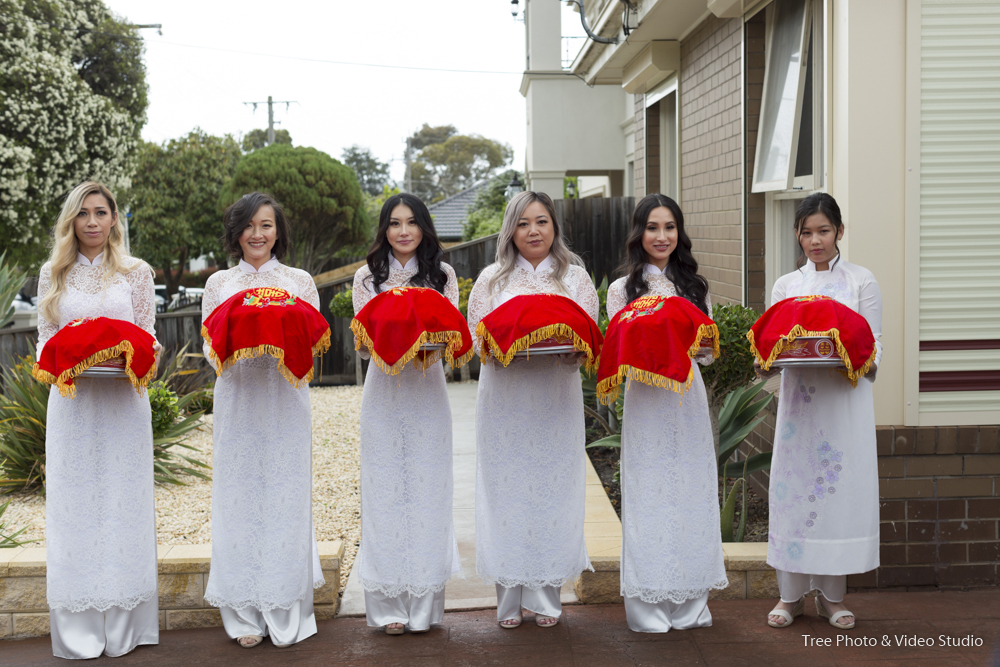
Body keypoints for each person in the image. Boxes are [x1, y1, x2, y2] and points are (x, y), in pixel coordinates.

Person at [36, 181, 160, 659]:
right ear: (72, 220)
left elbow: (149, 334)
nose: (92, 221)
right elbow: (48, 339)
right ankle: (80, 630)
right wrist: (75, 359)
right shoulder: (53, 273)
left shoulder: (136, 272)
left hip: (124, 402)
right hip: (74, 405)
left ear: (114, 219)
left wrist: (127, 360)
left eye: (101, 212)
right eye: (83, 213)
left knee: (123, 502)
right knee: (78, 505)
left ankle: (127, 627)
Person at [466, 191, 599, 629]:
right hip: (504, 400)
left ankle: (546, 597)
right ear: (511, 231)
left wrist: (570, 352)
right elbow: (477, 344)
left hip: (555, 399)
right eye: (523, 223)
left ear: (554, 226)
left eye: (541, 221)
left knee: (551, 490)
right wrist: (507, 348)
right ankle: (508, 601)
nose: (533, 231)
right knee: (507, 492)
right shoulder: (491, 280)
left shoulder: (576, 279)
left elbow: (588, 339)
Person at [201, 192, 324, 648]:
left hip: (286, 399)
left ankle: (285, 606)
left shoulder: (300, 281)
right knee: (240, 497)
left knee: (284, 494)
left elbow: (312, 343)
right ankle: (244, 613)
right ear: (236, 232)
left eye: (267, 225)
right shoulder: (218, 284)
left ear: (279, 231)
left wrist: (277, 333)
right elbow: (215, 352)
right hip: (238, 399)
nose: (258, 234)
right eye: (250, 225)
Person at [605, 194, 728, 633]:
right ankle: (649, 605)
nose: (662, 236)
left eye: (669, 227)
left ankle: (692, 605)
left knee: (691, 494)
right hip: (646, 401)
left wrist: (703, 348)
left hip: (687, 401)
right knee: (650, 495)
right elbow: (619, 349)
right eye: (652, 227)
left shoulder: (695, 287)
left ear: (680, 233)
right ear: (639, 234)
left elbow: (709, 353)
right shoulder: (622, 290)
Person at [763, 192, 882, 631]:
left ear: (839, 232)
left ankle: (833, 598)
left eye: (824, 231)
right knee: (794, 495)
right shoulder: (786, 286)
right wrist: (769, 359)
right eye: (807, 232)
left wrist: (853, 355)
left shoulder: (860, 281)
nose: (816, 241)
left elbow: (874, 343)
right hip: (800, 410)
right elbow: (773, 343)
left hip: (844, 406)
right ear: (797, 234)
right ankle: (790, 596)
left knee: (837, 496)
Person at [351, 193, 462, 635]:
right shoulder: (366, 276)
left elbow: (453, 335)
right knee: (384, 492)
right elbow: (362, 342)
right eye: (394, 223)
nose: (403, 231)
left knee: (427, 490)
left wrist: (426, 342)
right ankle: (388, 605)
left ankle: (424, 605)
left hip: (428, 391)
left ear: (424, 228)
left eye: (412, 222)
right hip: (382, 391)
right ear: (384, 230)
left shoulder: (443, 274)